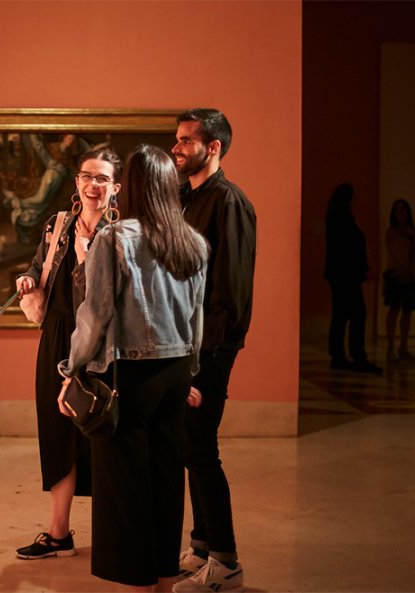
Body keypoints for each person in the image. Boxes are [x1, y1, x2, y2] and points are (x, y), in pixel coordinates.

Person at [57, 144, 208, 591]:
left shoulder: (115, 238)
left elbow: (94, 314)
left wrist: (72, 369)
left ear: (133, 187)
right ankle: (163, 576)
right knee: (165, 477)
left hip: (130, 375)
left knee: (124, 486)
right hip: (176, 370)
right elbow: (196, 316)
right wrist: (190, 373)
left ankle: (137, 583)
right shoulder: (192, 240)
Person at [14, 147, 123, 559]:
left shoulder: (123, 233)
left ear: (116, 187)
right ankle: (59, 533)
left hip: (103, 344)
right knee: (56, 433)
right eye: (86, 177)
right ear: (76, 182)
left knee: (103, 433)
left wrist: (85, 254)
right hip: (57, 334)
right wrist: (27, 280)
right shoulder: (57, 224)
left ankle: (113, 535)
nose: (93, 185)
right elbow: (36, 264)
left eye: (102, 179)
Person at [170, 108, 256, 593]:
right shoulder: (187, 197)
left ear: (214, 147)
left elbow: (231, 294)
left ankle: (226, 562)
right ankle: (202, 547)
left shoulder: (230, 202)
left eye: (186, 140)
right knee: (188, 445)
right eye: (177, 139)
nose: (177, 147)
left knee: (201, 449)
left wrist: (203, 369)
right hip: (186, 345)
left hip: (211, 351)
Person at [323, 182, 383, 375]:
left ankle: (339, 355)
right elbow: (350, 250)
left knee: (341, 315)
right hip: (347, 275)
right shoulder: (344, 220)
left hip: (340, 275)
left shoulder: (337, 218)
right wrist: (364, 270)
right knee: (357, 315)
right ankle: (357, 357)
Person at [383, 199, 415, 363]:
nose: (400, 213)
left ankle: (403, 347)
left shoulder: (414, 232)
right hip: (395, 275)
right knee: (394, 311)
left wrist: (414, 235)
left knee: (407, 313)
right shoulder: (391, 232)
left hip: (409, 277)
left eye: (403, 210)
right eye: (397, 210)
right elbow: (395, 251)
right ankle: (390, 347)